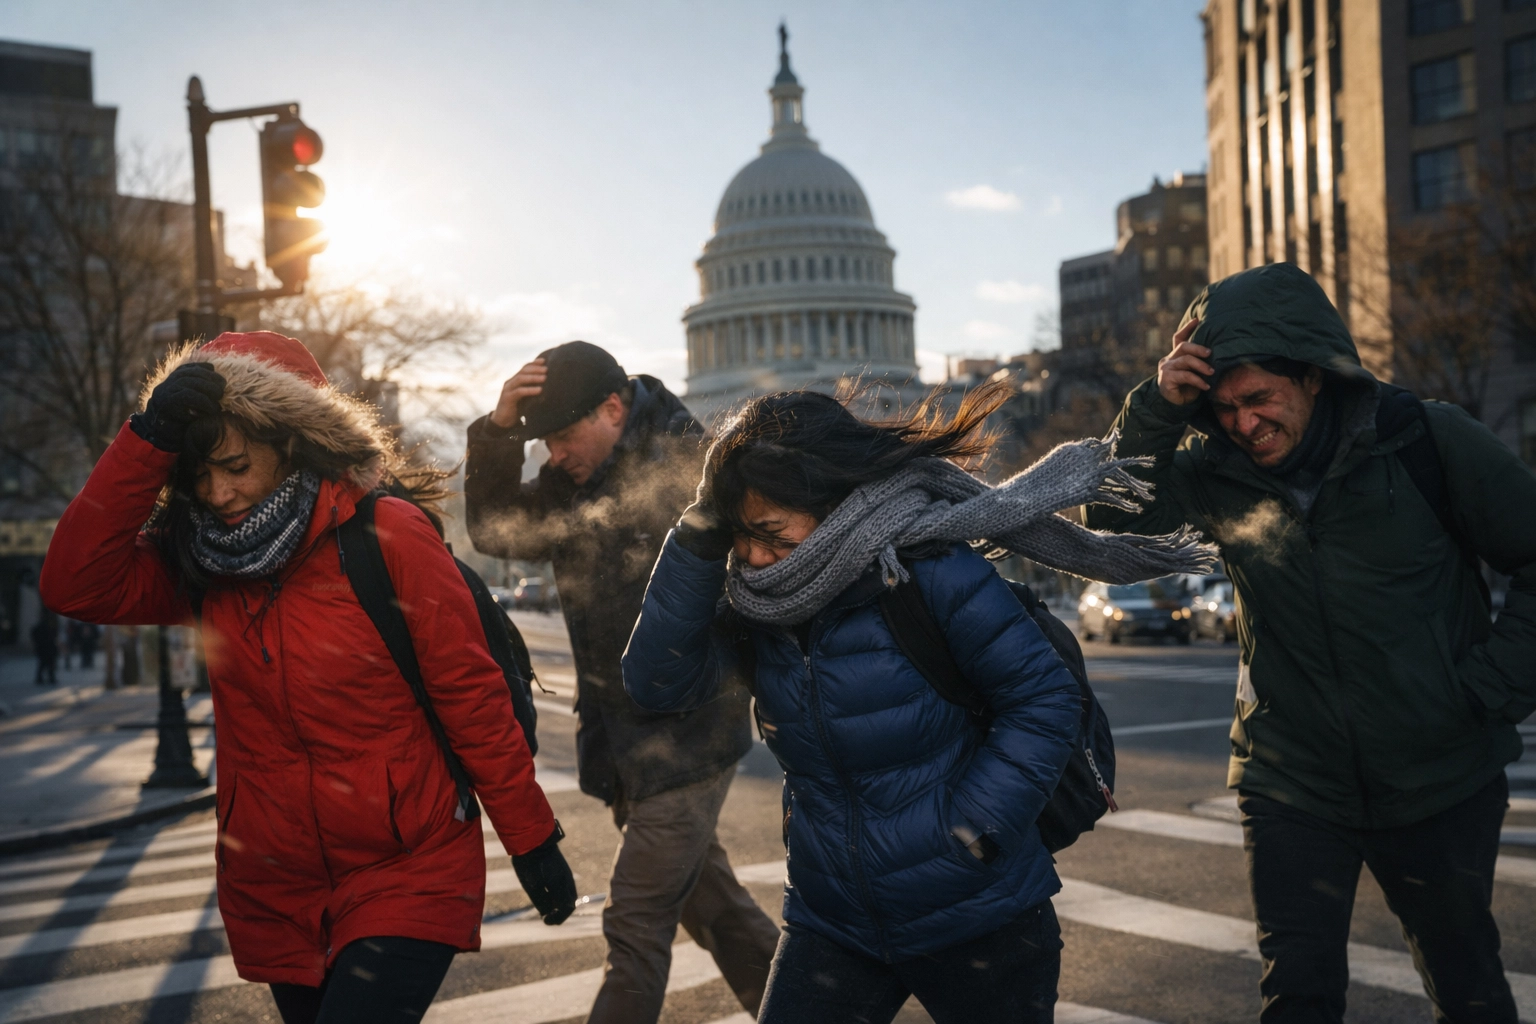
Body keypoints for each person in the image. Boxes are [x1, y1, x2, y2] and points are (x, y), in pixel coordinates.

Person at [621, 385, 1214, 1024]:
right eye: (738, 536)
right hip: (832, 917)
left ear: (834, 504)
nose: (755, 558)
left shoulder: (927, 570)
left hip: (977, 916)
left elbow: (1043, 698)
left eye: (771, 533)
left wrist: (970, 835)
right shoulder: (759, 603)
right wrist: (696, 540)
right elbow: (658, 682)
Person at [41, 331, 577, 1024]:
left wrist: (532, 840)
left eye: (235, 465)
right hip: (275, 885)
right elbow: (74, 584)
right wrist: (147, 441)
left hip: (405, 869)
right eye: (198, 477)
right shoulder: (201, 559)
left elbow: (470, 699)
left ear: (292, 441)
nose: (219, 493)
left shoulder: (387, 534)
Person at [1089, 263, 1536, 1024]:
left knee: (1467, 987)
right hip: (1291, 780)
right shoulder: (1213, 472)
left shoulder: (1426, 440)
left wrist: (1485, 692)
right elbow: (1110, 514)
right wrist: (1158, 408)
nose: (1243, 424)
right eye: (1223, 407)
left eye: (1259, 398)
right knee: (1297, 994)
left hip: (1439, 777)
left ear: (1316, 377)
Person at [464, 340, 780, 1023]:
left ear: (612, 409)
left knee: (634, 924)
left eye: (561, 435)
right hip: (624, 738)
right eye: (542, 441)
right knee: (718, 911)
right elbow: (493, 530)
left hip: (690, 735)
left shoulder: (690, 468)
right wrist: (495, 432)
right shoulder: (573, 484)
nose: (553, 453)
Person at [30, 610, 58, 686]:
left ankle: (44, 678)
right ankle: (47, 678)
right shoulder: (46, 627)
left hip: (44, 648)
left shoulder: (42, 627)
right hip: (45, 648)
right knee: (46, 664)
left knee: (44, 664)